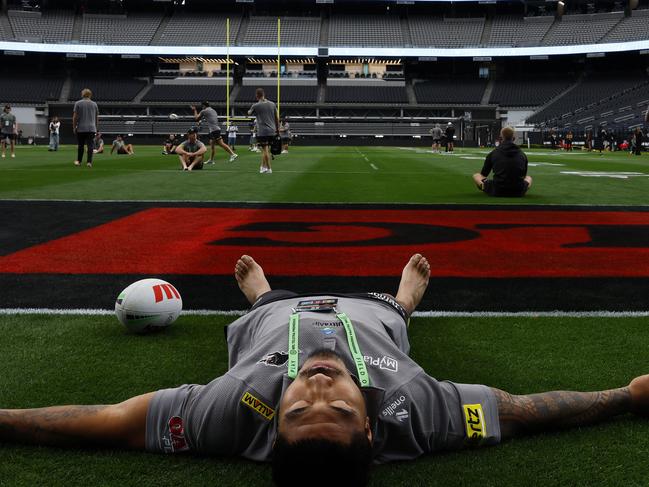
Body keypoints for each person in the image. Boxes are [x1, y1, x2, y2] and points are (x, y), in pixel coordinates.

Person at [2, 253, 649, 487]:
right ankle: (404, 300)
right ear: (370, 429)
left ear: (270, 430)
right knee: (393, 313)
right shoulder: (412, 412)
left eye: (296, 408)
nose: (316, 387)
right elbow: (522, 409)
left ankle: (259, 294)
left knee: (264, 306)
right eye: (337, 408)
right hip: (371, 314)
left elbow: (109, 422)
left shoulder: (230, 415)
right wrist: (622, 394)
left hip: (276, 315)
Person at [473, 126, 532, 198]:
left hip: (497, 190)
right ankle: (520, 191)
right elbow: (523, 176)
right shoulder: (522, 154)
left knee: (476, 176)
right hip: (518, 191)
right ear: (514, 138)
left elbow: (484, 174)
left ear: (500, 138)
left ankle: (485, 188)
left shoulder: (493, 153)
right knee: (528, 178)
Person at [248, 88, 280, 174]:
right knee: (266, 149)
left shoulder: (256, 105)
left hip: (262, 131)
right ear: (264, 94)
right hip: (272, 130)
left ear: (257, 95)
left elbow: (249, 113)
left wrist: (251, 109)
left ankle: (269, 169)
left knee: (265, 149)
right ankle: (262, 167)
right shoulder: (272, 104)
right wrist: (278, 130)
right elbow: (277, 118)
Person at [72, 88, 99, 168]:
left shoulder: (78, 103)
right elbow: (96, 117)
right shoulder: (94, 104)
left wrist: (74, 127)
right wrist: (96, 128)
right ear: (90, 95)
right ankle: (89, 162)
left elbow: (75, 117)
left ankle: (79, 161)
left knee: (81, 145)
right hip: (91, 128)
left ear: (82, 94)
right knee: (90, 145)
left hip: (81, 128)